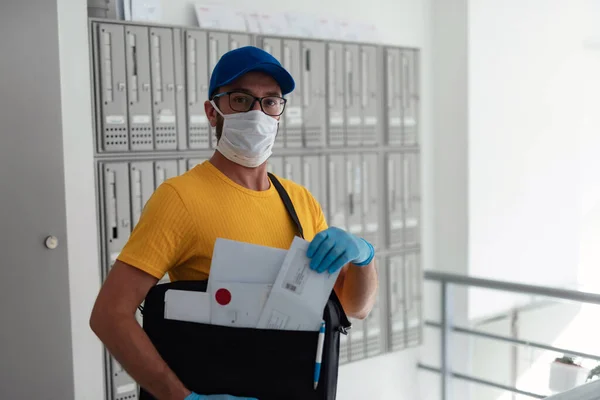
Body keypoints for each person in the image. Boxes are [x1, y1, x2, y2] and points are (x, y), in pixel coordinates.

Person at [90, 46, 378, 400]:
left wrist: (364, 257)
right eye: (241, 100)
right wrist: (181, 398)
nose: (258, 112)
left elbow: (354, 308)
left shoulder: (301, 201)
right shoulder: (180, 198)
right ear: (213, 113)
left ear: (279, 113)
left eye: (270, 101)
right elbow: (109, 314)